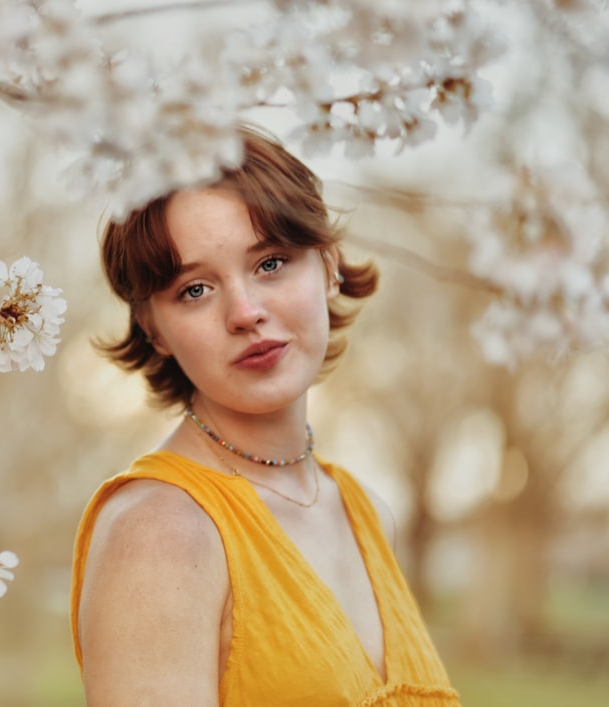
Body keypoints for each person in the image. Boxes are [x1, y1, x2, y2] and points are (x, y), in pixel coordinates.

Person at [69, 125, 459, 706]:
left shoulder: (366, 512)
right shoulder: (161, 532)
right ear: (154, 330)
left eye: (271, 262)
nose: (246, 312)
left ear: (328, 265)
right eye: (195, 290)